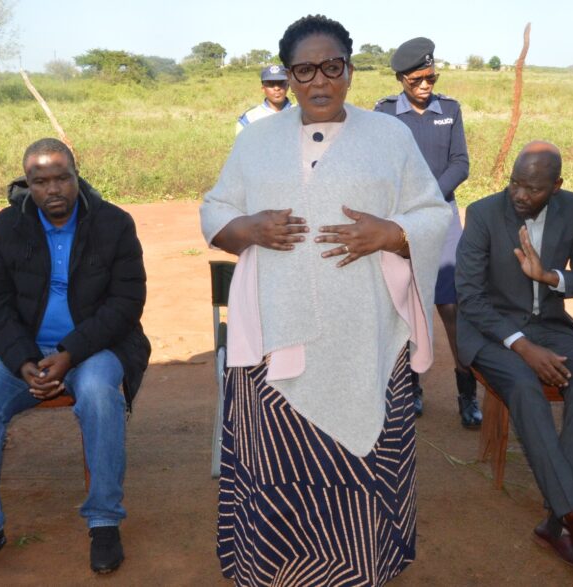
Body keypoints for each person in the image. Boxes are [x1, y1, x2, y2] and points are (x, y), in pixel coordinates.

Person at [202, 14, 451, 586]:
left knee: (359, 462)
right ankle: (273, 568)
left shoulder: (390, 137)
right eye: (304, 69)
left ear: (350, 70)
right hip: (272, 337)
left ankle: (356, 568)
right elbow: (214, 210)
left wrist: (390, 234)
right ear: (287, 76)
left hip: (362, 334)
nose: (319, 81)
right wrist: (249, 227)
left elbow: (433, 212)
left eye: (332, 67)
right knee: (275, 462)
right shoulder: (257, 140)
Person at [0, 138, 150, 579]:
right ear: (28, 184)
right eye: (41, 181)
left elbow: (126, 302)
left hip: (94, 347)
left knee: (98, 393)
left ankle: (103, 520)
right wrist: (22, 361)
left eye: (62, 178)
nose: (53, 189)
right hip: (24, 350)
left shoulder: (114, 223)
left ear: (77, 177)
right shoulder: (7, 226)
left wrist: (69, 352)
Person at [454, 141, 573, 573]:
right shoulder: (485, 214)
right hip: (493, 331)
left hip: (551, 327)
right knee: (525, 387)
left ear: (556, 186)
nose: (521, 195)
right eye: (515, 184)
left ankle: (557, 520)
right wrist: (522, 345)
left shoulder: (572, 208)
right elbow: (469, 295)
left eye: (534, 189)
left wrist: (551, 276)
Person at [374, 37, 479, 425]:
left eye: (430, 77)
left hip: (443, 218)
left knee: (453, 309)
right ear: (402, 78)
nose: (424, 85)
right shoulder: (384, 114)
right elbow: (379, 166)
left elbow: (460, 162)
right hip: (401, 222)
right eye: (416, 79)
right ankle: (411, 388)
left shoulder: (449, 110)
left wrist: (428, 197)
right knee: (406, 304)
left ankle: (467, 394)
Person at [235, 65, 293, 134]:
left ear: (288, 86)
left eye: (281, 83)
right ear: (263, 89)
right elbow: (241, 143)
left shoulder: (301, 114)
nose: (277, 88)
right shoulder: (250, 118)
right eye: (271, 84)